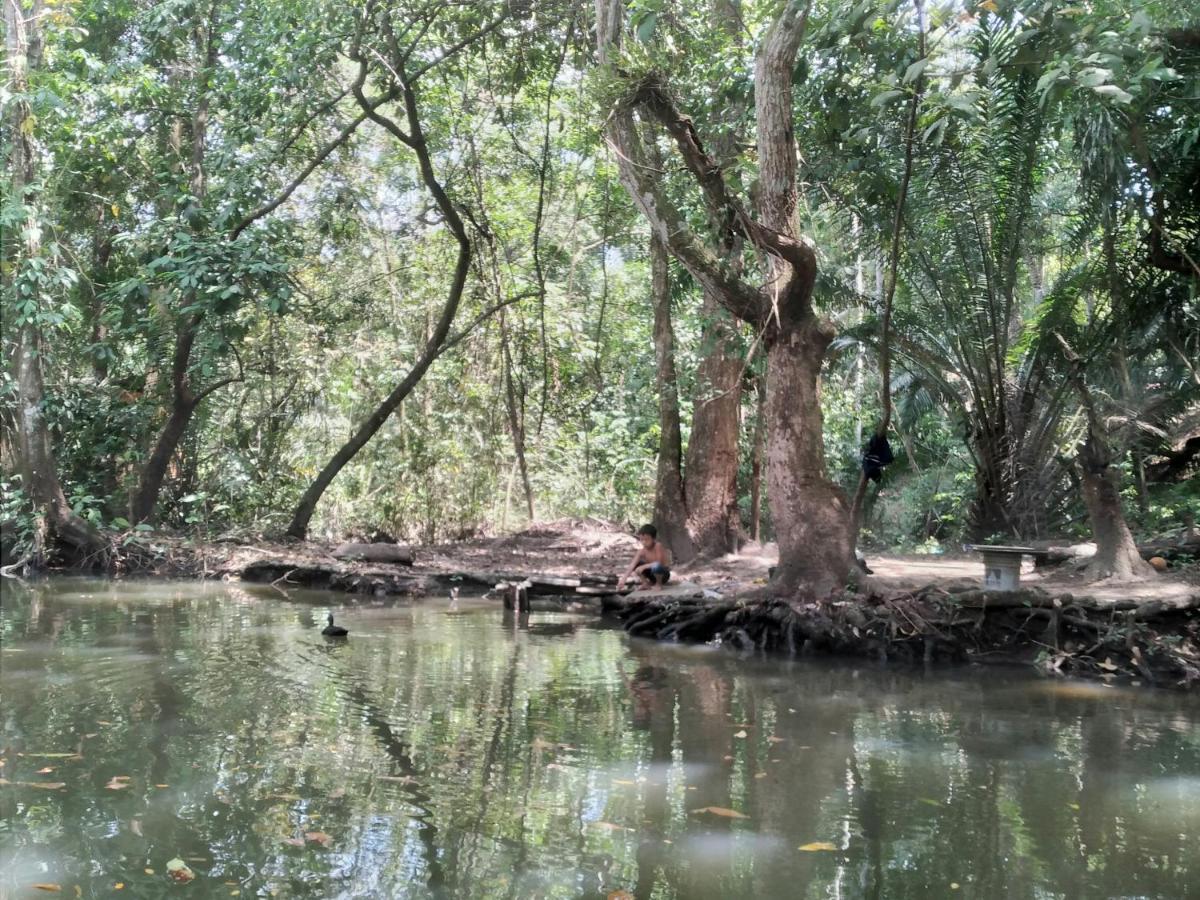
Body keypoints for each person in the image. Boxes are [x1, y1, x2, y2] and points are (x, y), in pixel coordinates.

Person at [618, 524, 672, 590]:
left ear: (653, 539)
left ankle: (659, 584)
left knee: (656, 566)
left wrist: (644, 566)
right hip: (652, 575)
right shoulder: (641, 551)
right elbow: (632, 565)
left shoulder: (657, 546)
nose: (644, 542)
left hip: (663, 575)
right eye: (642, 540)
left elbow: (659, 563)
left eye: (646, 540)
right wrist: (623, 579)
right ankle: (645, 584)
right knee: (637, 565)